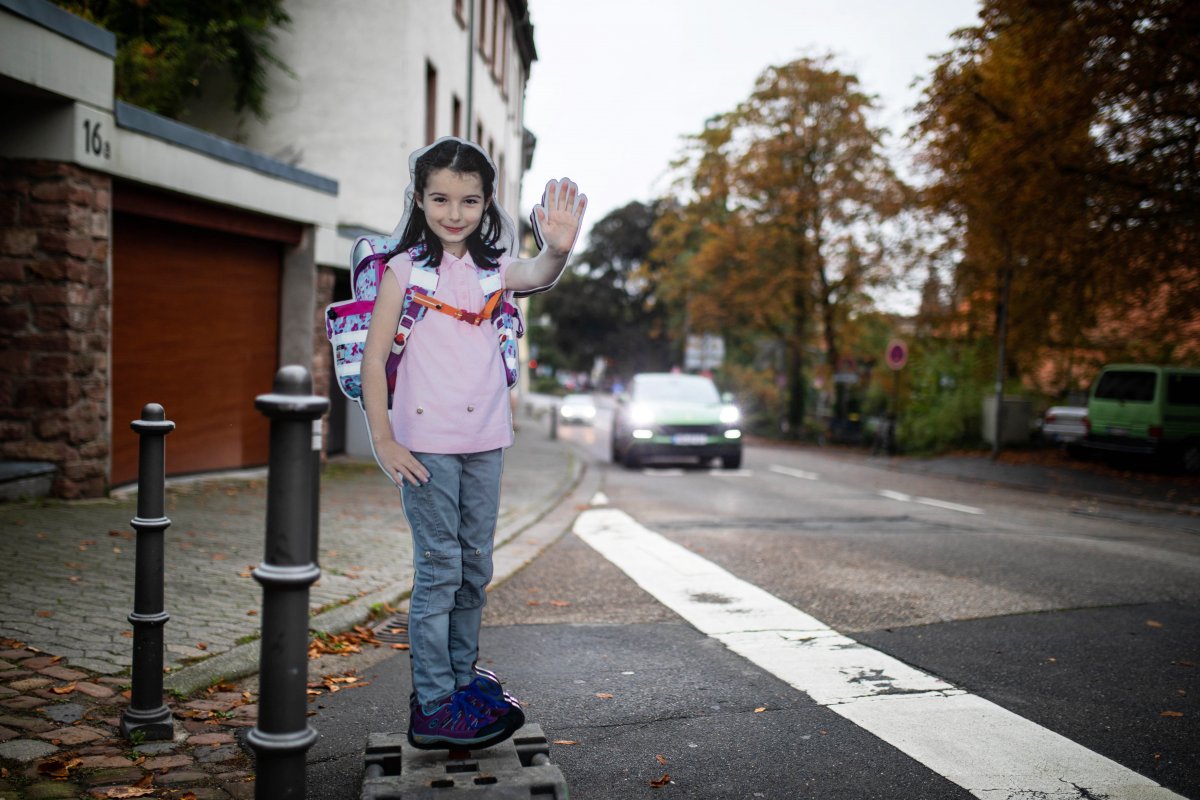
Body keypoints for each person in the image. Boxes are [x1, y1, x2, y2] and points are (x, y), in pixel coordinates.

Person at [360, 136, 586, 750]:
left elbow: (537, 273)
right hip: (424, 447)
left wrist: (557, 250)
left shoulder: (493, 270)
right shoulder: (403, 271)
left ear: (487, 204)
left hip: (485, 442)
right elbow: (374, 358)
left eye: (468, 200)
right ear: (420, 199)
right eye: (440, 198)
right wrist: (384, 440)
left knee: (475, 567)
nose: (453, 212)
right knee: (440, 571)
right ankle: (433, 703)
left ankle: (460, 681)